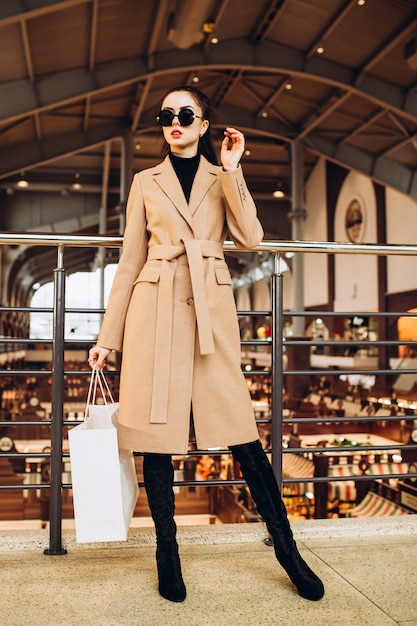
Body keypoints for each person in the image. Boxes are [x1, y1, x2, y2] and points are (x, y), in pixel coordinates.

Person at [88, 85, 324, 603]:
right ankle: (167, 555)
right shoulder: (144, 182)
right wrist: (109, 337)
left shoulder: (223, 177)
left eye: (185, 114)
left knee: (243, 434)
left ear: (203, 123)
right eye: (166, 115)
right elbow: (128, 261)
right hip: (154, 309)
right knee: (156, 436)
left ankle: (289, 551)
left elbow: (251, 238)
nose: (174, 121)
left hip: (211, 315)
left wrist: (234, 168)